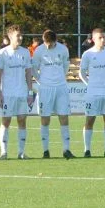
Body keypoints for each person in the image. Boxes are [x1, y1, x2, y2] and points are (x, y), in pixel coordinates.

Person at [32, 30, 75, 159]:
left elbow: (66, 66)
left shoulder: (63, 49)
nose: (48, 46)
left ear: (55, 41)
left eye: (50, 44)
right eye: (46, 43)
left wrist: (60, 78)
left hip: (61, 87)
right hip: (45, 89)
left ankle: (66, 149)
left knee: (64, 117)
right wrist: (42, 81)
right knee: (45, 119)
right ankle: (46, 151)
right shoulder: (39, 51)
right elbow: (34, 69)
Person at [0, 25, 35, 160]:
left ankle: (21, 152)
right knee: (5, 121)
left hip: (22, 93)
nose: (20, 38)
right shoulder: (2, 54)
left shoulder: (25, 52)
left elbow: (28, 73)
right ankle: (4, 152)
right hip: (8, 94)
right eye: (18, 36)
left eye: (21, 35)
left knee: (22, 121)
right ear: (10, 37)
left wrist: (30, 92)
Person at [80, 27, 105, 157]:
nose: (103, 40)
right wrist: (90, 84)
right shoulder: (88, 54)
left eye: (104, 37)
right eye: (100, 38)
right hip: (93, 93)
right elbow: (82, 73)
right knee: (90, 120)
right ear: (93, 39)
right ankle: (87, 150)